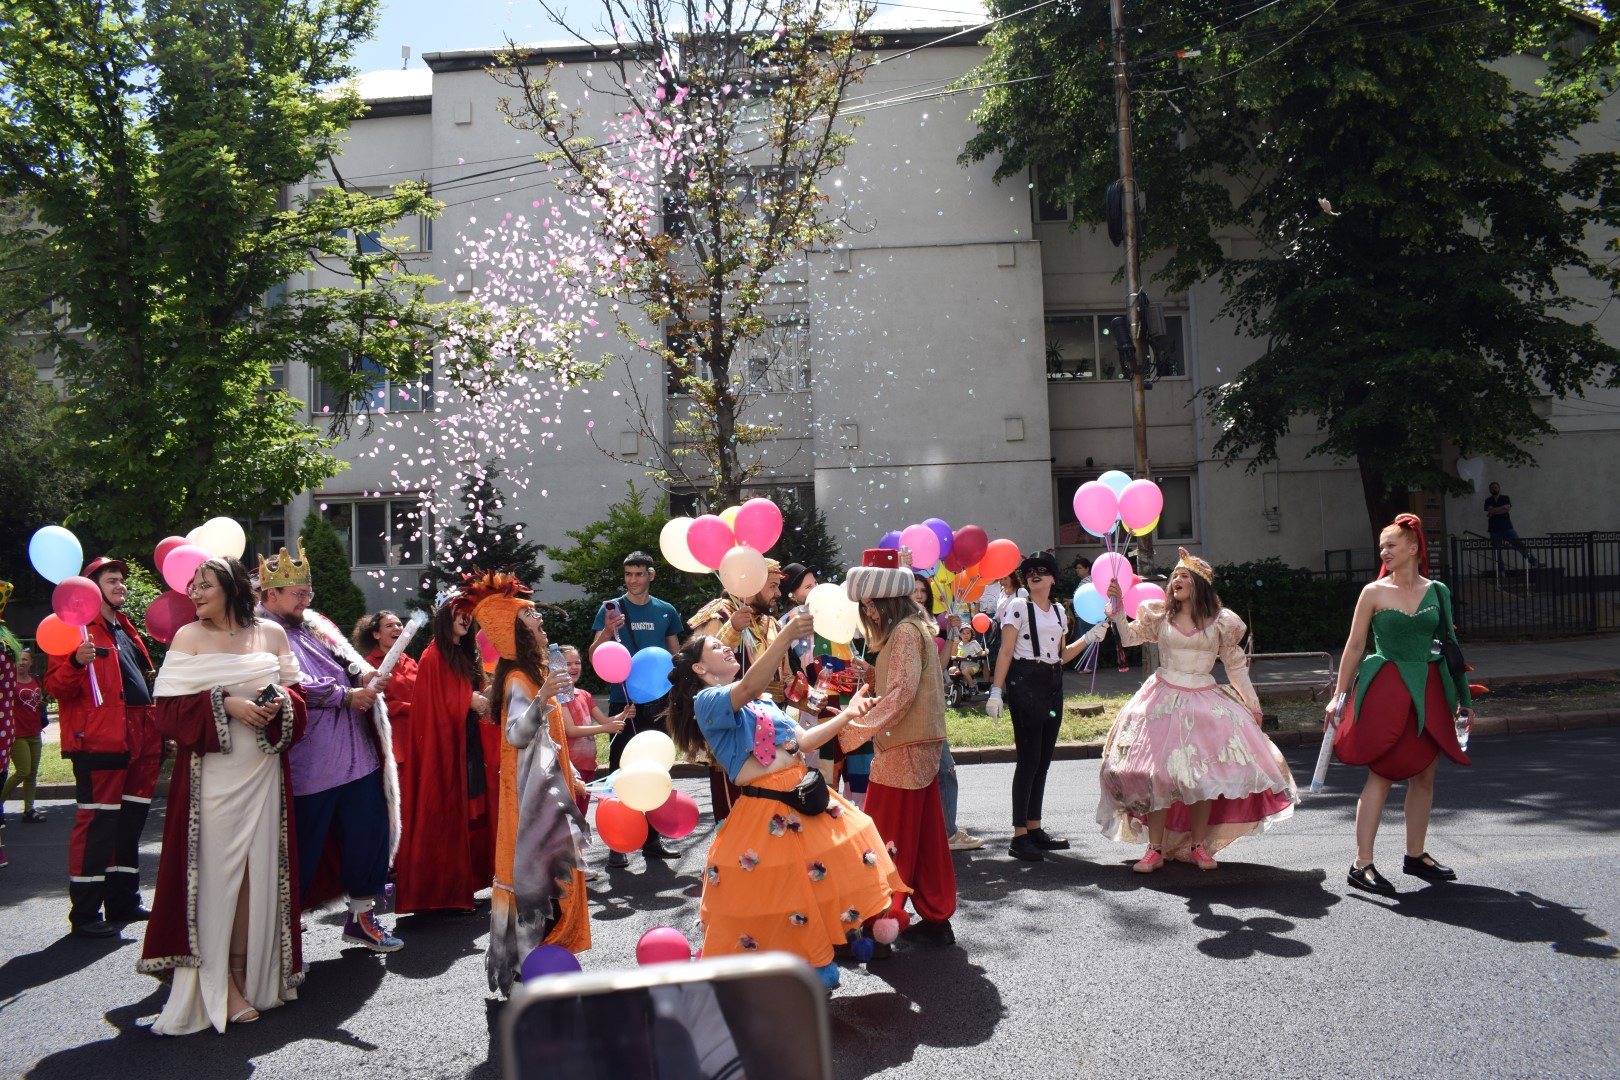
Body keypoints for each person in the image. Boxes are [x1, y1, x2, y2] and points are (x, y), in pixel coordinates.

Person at [664, 611, 908, 991]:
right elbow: (747, 687)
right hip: (765, 807)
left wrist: (847, 714)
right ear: (699, 668)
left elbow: (803, 740)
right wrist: (786, 636)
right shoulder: (707, 700)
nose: (726, 648)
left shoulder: (762, 702)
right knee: (784, 892)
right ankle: (800, 968)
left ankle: (827, 950)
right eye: (716, 646)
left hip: (801, 793)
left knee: (827, 869)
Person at [140, 556, 306, 1034]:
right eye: (192, 585)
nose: (194, 592)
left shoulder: (272, 634)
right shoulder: (188, 637)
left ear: (232, 589)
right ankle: (217, 984)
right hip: (210, 781)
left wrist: (277, 704)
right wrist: (227, 703)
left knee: (258, 876)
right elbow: (167, 712)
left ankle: (248, 974)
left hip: (263, 773)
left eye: (204, 585)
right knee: (217, 879)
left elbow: (296, 697)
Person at [1093, 548, 1298, 872]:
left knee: (1205, 777)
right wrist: (1118, 612)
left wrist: (1252, 703)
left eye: (1184, 575)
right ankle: (1155, 849)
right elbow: (1130, 637)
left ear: (1199, 584)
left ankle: (1198, 846)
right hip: (1163, 701)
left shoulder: (1221, 622)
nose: (1176, 580)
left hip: (1204, 702)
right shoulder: (1161, 615)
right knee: (1157, 776)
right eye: (1175, 575)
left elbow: (1235, 665)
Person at [257, 539, 402, 953]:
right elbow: (282, 684)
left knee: (369, 836)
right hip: (310, 763)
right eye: (297, 593)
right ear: (271, 594)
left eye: (308, 592)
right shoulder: (257, 631)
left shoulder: (315, 624)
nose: (306, 600)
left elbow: (347, 660)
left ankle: (362, 918)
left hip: (358, 755)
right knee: (301, 850)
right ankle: (282, 936)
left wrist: (365, 676)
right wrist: (344, 696)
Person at [1328, 513, 1473, 896]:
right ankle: (1361, 864)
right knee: (1382, 774)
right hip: (1385, 690)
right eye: (1382, 547)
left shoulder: (1438, 591)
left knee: (1424, 773)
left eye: (1391, 545)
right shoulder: (1373, 592)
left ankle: (1415, 855)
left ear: (1413, 547)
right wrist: (1339, 696)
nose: (1384, 552)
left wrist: (1464, 699)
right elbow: (1355, 646)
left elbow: (1451, 647)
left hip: (1429, 689)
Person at [469, 571, 591, 996]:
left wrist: (571, 771)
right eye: (531, 617)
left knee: (545, 880)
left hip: (544, 793)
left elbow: (548, 738)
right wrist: (542, 698)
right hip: (530, 801)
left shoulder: (534, 673)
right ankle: (523, 975)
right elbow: (516, 734)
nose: (540, 621)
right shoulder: (520, 680)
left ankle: (535, 970)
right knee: (536, 880)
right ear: (515, 633)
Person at [834, 553, 959, 943]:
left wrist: (849, 731)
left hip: (903, 746)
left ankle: (879, 919)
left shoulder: (904, 631)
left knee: (885, 834)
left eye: (871, 605)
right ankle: (936, 916)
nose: (869, 613)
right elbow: (910, 683)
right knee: (926, 837)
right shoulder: (913, 626)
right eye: (865, 607)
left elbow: (902, 694)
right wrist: (874, 674)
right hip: (918, 743)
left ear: (888, 600)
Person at [45, 556, 163, 936]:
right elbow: (55, 687)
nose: (120, 585)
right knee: (97, 827)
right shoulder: (74, 628)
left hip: (140, 740)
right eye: (112, 579)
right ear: (90, 588)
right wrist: (75, 663)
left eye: (121, 580)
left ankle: (123, 901)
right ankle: (85, 915)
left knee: (128, 825)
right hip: (99, 742)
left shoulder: (125, 628)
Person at [392, 594, 500, 915]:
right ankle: (445, 892)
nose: (466, 618)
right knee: (449, 817)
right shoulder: (433, 655)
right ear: (444, 618)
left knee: (470, 817)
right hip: (446, 750)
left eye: (469, 613)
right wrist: (469, 700)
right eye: (459, 613)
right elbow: (436, 706)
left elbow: (469, 693)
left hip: (468, 743)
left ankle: (463, 885)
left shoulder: (463, 653)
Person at [987, 552, 1096, 862]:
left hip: (1052, 683)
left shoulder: (1059, 611)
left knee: (1043, 761)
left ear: (1052, 578)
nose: (1035, 574)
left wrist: (1089, 638)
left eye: (1042, 570)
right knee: (1028, 760)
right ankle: (1019, 835)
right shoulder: (1018, 607)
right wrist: (996, 690)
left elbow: (1061, 656)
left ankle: (1034, 828)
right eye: (1030, 571)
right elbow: (1006, 651)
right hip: (1025, 683)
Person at [588, 551, 684, 866]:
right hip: (623, 701)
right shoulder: (609, 608)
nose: (633, 580)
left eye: (639, 574)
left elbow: (676, 656)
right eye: (628, 574)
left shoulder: (666, 610)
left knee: (656, 767)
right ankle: (618, 843)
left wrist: (679, 693)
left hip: (658, 701)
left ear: (651, 575)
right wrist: (607, 631)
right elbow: (594, 654)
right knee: (619, 770)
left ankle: (653, 841)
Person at [689, 560, 789, 821]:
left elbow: (784, 675)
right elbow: (700, 663)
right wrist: (731, 628)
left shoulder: (771, 622)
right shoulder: (718, 614)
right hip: (733, 725)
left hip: (771, 721)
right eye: (773, 586)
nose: (778, 593)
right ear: (752, 584)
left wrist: (808, 696)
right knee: (736, 810)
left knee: (772, 810)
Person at [558, 644, 628, 816]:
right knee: (571, 816)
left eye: (577, 663)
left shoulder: (585, 695)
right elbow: (571, 730)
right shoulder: (559, 696)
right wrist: (604, 728)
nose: (574, 667)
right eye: (568, 664)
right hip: (572, 766)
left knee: (581, 814)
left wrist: (624, 714)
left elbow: (605, 721)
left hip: (588, 765)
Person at [355, 610, 419, 766]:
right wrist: (411, 708)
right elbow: (373, 703)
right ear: (376, 634)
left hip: (419, 735)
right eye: (389, 625)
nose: (397, 628)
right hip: (394, 742)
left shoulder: (410, 661)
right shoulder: (368, 665)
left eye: (399, 624)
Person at [4, 648, 47, 825]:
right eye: (18, 659)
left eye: (25, 659)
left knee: (32, 774)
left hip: (35, 732)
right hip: (17, 733)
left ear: (31, 662)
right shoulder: (7, 681)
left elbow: (37, 700)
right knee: (23, 771)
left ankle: (29, 810)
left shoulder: (35, 679)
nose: (21, 663)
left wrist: (42, 703)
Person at [1484, 482, 1539, 573]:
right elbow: (1491, 510)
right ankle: (1501, 571)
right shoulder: (1488, 500)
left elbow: (1507, 509)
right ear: (1490, 489)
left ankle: (1533, 561)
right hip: (1494, 529)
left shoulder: (1505, 498)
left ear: (1499, 488)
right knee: (1497, 550)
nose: (1494, 488)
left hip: (1507, 527)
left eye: (1496, 487)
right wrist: (1502, 508)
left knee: (1519, 544)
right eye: (1492, 487)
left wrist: (1493, 512)